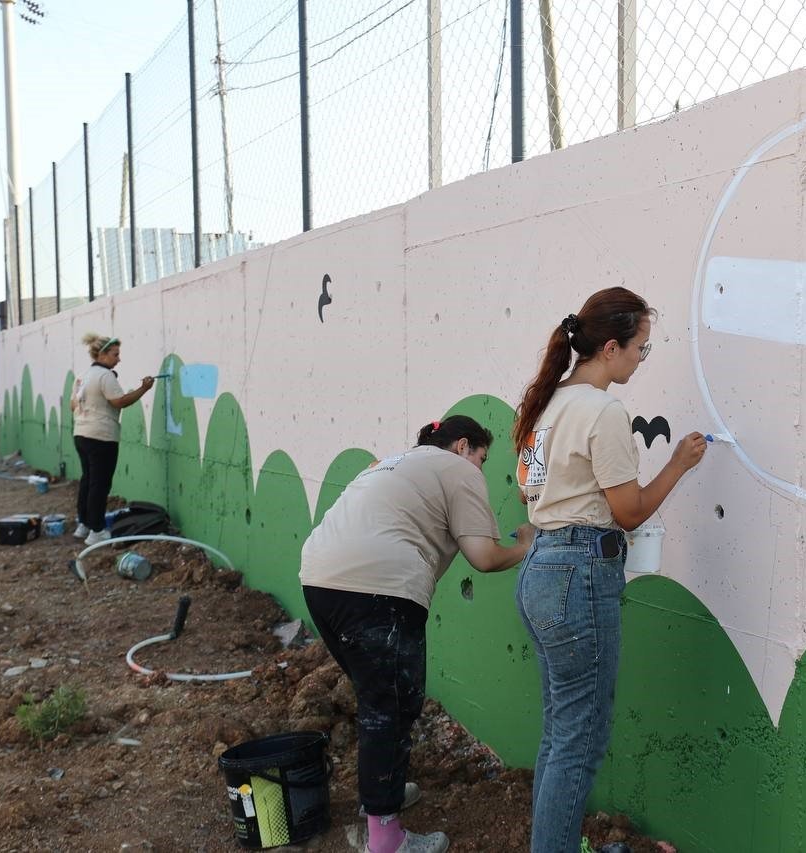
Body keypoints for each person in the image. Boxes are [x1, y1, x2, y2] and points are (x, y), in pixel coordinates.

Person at [512, 287, 706, 853]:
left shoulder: (545, 406)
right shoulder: (602, 411)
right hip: (578, 576)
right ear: (613, 347)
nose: (641, 361)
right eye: (641, 349)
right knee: (581, 739)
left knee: (561, 731)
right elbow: (628, 513)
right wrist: (678, 465)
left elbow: (527, 486)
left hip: (541, 570)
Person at [300, 415, 535, 853]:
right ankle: (386, 838)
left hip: (319, 580)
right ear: (463, 446)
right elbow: (483, 557)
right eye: (482, 458)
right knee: (389, 709)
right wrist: (525, 543)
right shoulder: (458, 469)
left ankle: (379, 799)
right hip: (378, 590)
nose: (479, 468)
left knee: (380, 700)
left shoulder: (391, 463)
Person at [70, 333, 154, 546]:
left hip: (81, 434)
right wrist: (144, 388)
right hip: (101, 437)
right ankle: (97, 531)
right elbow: (120, 401)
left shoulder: (83, 375)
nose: (119, 359)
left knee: (88, 480)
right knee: (100, 484)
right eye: (116, 354)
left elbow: (73, 405)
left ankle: (84, 524)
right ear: (103, 354)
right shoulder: (105, 376)